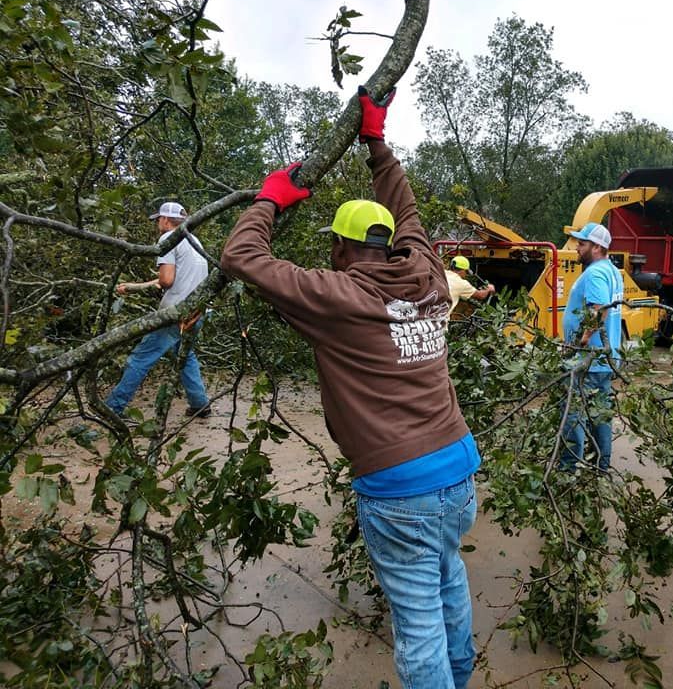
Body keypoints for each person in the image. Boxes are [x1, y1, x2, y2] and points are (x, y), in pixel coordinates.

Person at [220, 86, 480, 689]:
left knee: (417, 623)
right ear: (389, 242)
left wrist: (269, 200)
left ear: (339, 247)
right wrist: (376, 143)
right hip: (458, 469)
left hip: (400, 489)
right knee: (448, 581)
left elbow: (241, 254)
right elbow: (409, 212)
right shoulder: (429, 273)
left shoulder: (337, 296)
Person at [105, 202, 211, 418]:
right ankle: (199, 403)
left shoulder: (168, 239)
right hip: (199, 312)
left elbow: (167, 280)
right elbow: (173, 277)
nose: (157, 224)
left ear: (165, 220)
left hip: (176, 313)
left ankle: (113, 408)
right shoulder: (192, 239)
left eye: (158, 220)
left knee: (140, 358)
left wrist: (145, 287)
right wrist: (134, 287)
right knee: (184, 355)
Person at [560, 222, 623, 471]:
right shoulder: (611, 271)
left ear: (597, 247)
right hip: (602, 361)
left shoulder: (596, 273)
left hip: (588, 361)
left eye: (582, 243)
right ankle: (602, 466)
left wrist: (579, 342)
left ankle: (567, 469)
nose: (577, 247)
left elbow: (599, 310)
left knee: (573, 415)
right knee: (600, 415)